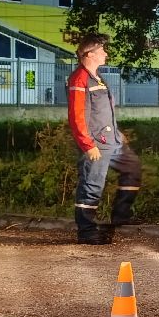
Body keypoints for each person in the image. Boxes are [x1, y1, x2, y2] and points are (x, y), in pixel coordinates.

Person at [66, 34, 142, 244]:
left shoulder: (97, 77)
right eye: (102, 50)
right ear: (89, 54)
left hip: (112, 141)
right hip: (96, 143)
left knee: (132, 168)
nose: (105, 53)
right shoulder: (79, 78)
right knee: (92, 185)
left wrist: (118, 134)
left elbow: (103, 110)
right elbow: (76, 115)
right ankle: (87, 232)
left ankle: (121, 219)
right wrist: (87, 145)